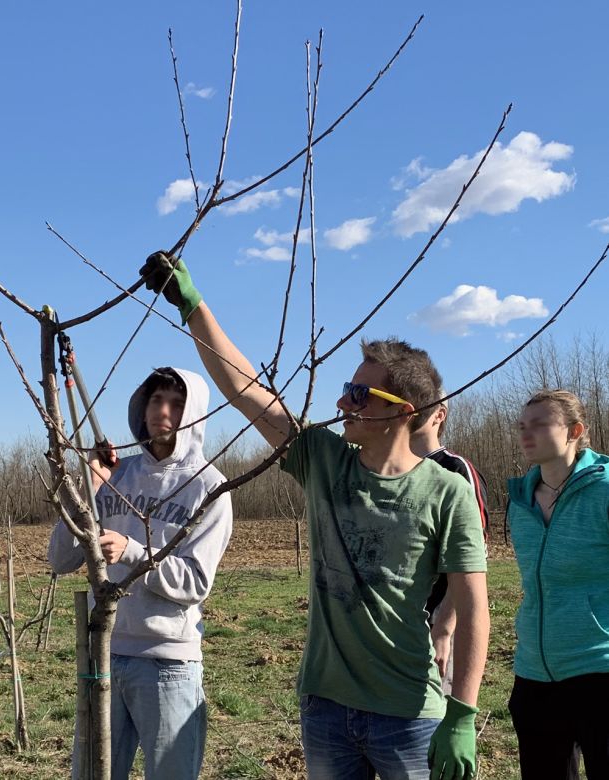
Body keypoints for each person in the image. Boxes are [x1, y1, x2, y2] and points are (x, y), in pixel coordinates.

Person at [140, 252, 488, 780]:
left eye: (358, 393)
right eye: (346, 389)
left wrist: (462, 712)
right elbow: (247, 390)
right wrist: (193, 305)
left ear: (402, 411)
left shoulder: (447, 492)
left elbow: (475, 611)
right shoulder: (324, 461)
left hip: (409, 714)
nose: (342, 402)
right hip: (326, 707)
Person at [47, 365, 234, 779]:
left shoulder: (209, 488)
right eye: (156, 399)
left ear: (196, 414)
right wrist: (90, 485)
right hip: (106, 654)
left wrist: (132, 551)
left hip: (167, 664)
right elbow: (61, 560)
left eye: (177, 403)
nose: (162, 411)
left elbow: (195, 582)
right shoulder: (116, 474)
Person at [506, 389, 609, 779]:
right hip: (534, 673)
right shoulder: (521, 501)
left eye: (540, 424)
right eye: (521, 426)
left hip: (599, 669)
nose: (525, 434)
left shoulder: (605, 490)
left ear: (574, 431)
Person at [409, 398, 490, 695]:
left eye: (420, 404)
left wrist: (444, 623)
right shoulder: (392, 467)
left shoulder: (456, 469)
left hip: (436, 627)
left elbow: (476, 552)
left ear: (439, 416)